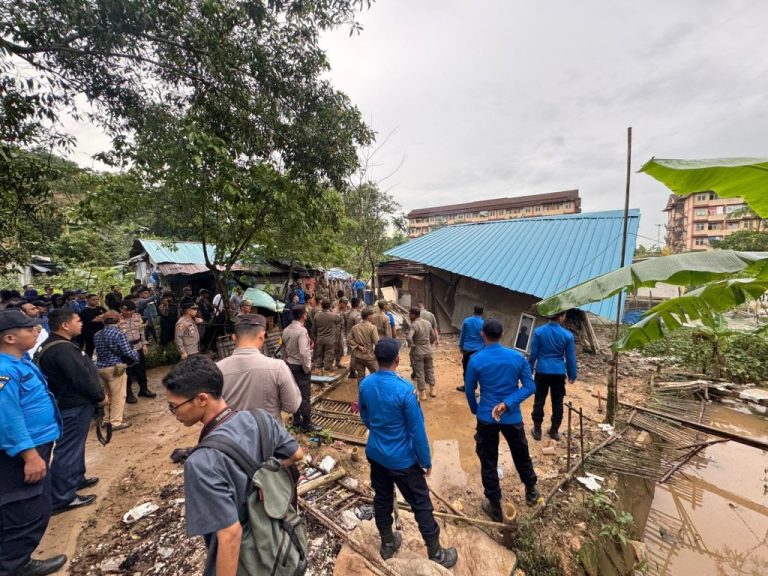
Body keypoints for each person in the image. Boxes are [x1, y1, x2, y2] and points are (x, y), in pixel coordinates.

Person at [163, 355, 304, 576]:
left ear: (201, 399)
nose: (174, 414)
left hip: (248, 561)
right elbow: (297, 454)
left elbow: (229, 534)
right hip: (278, 543)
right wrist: (265, 474)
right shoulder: (261, 419)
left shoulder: (202, 463)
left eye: (174, 406)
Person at [358, 338, 457, 568]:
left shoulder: (365, 384)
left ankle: (388, 543)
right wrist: (425, 461)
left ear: (376, 359)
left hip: (376, 454)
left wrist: (379, 431)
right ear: (397, 360)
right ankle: (436, 553)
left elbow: (364, 416)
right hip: (402, 461)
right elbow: (417, 432)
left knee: (382, 498)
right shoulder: (405, 391)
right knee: (421, 503)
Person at [0, 310, 67, 576]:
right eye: (29, 329)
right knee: (29, 510)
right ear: (10, 337)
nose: (36, 331)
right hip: (21, 453)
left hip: (33, 446)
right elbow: (7, 418)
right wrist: (29, 455)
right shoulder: (4, 370)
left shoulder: (19, 360)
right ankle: (14, 566)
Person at [464, 318, 539, 519]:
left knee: (488, 460)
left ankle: (495, 505)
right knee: (521, 453)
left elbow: (470, 389)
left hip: (487, 418)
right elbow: (530, 386)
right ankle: (531, 491)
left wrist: (475, 409)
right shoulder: (517, 358)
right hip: (512, 416)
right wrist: (508, 403)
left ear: (483, 335)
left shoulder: (476, 359)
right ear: (502, 334)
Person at [37, 309, 104, 515]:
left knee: (75, 446)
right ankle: (63, 497)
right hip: (72, 406)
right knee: (68, 450)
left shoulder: (49, 346)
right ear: (65, 325)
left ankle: (76, 479)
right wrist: (99, 396)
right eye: (77, 320)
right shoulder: (63, 350)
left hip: (66, 404)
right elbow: (81, 378)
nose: (81, 323)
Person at [217, 314, 301, 421]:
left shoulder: (217, 369)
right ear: (262, 336)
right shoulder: (277, 367)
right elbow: (292, 406)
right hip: (270, 435)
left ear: (233, 338)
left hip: (234, 436)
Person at [528, 311, 577, 442]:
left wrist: (529, 368)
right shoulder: (567, 335)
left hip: (542, 370)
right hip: (559, 372)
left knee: (539, 399)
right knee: (557, 402)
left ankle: (537, 430)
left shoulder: (539, 332)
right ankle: (554, 431)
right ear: (561, 317)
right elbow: (571, 357)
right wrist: (572, 374)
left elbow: (533, 353)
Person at [94, 310, 139, 431]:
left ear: (104, 321)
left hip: (101, 368)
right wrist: (136, 356)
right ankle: (116, 422)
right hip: (115, 368)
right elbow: (126, 351)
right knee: (119, 395)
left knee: (108, 394)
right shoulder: (119, 334)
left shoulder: (97, 334)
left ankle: (107, 419)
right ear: (118, 320)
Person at [281, 305, 322, 432]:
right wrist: (307, 367)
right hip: (300, 366)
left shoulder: (286, 330)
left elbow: (283, 349)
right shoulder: (302, 331)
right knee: (305, 395)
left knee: (294, 392)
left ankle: (297, 420)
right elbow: (304, 353)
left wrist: (286, 361)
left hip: (290, 365)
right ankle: (307, 423)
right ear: (304, 315)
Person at [119, 300, 155, 403]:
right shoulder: (117, 319)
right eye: (127, 311)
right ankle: (129, 393)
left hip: (138, 346)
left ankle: (144, 389)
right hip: (125, 349)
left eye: (131, 311)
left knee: (141, 369)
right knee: (128, 372)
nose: (129, 313)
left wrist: (144, 344)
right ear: (121, 309)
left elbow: (141, 330)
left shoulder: (137, 316)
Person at [407, 307, 437, 401]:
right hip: (428, 350)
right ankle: (432, 389)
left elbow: (409, 337)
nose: (409, 316)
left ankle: (423, 393)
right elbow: (433, 336)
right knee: (429, 369)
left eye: (410, 314)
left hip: (418, 352)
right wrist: (429, 344)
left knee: (420, 372)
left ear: (414, 315)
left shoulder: (414, 325)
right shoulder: (427, 323)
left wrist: (412, 345)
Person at [456, 305, 484, 392]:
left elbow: (463, 335)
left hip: (467, 349)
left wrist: (461, 346)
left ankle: (466, 386)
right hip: (478, 351)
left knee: (466, 368)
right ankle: (473, 388)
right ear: (482, 313)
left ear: (473, 311)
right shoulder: (483, 323)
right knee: (475, 369)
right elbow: (484, 337)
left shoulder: (467, 321)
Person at [347, 308, 379, 383]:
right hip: (369, 357)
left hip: (358, 356)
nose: (373, 317)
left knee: (361, 377)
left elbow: (349, 340)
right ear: (368, 316)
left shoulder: (355, 327)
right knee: (376, 375)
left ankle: (362, 392)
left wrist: (358, 346)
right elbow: (377, 342)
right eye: (372, 315)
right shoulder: (372, 327)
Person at [310, 300, 341, 371]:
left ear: (321, 306)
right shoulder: (332, 315)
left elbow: (313, 329)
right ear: (329, 306)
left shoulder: (317, 315)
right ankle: (328, 366)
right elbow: (340, 319)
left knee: (319, 354)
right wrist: (331, 311)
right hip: (330, 340)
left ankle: (319, 365)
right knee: (329, 353)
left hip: (320, 339)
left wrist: (315, 339)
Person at [79, 293, 106, 358]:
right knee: (90, 350)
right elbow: (94, 320)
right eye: (93, 299)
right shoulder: (84, 311)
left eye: (97, 299)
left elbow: (108, 315)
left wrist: (102, 317)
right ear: (87, 300)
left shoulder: (100, 308)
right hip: (90, 334)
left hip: (102, 332)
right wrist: (102, 317)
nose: (96, 301)